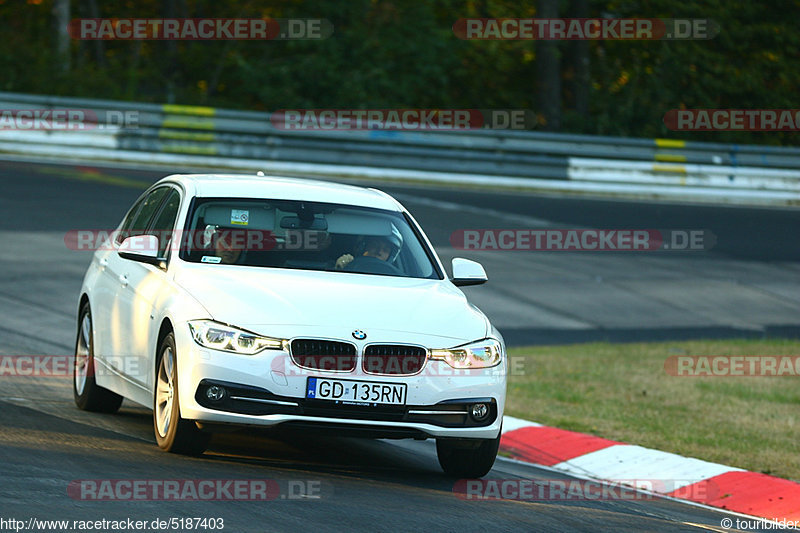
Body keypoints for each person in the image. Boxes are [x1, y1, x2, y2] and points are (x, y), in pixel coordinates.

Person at [335, 227, 403, 270]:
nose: (379, 252)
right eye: (375, 245)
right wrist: (340, 269)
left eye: (385, 250)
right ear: (361, 247)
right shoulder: (345, 265)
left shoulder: (395, 279)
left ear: (391, 257)